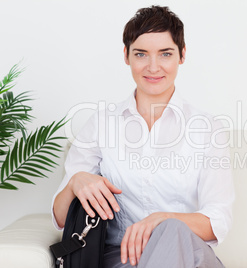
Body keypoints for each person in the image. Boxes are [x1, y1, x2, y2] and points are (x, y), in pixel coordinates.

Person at [52, 5, 234, 268]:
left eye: (165, 54)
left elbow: (218, 221)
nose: (153, 67)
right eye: (141, 54)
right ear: (126, 56)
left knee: (172, 230)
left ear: (181, 56)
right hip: (123, 258)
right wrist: (75, 182)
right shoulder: (102, 124)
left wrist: (162, 220)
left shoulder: (207, 128)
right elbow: (60, 218)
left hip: (190, 257)